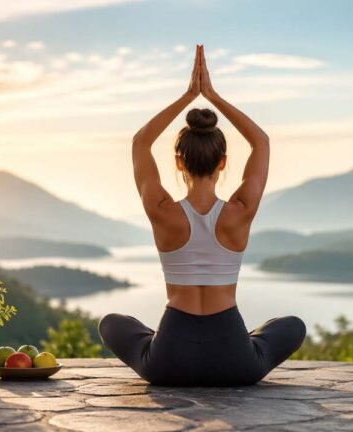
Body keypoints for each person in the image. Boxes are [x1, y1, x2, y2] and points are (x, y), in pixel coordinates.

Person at [98, 44, 306, 386]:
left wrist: (188, 96)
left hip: (168, 361)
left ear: (178, 162)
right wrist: (212, 96)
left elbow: (140, 143)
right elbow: (262, 143)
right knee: (293, 324)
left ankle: (161, 341)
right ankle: (242, 343)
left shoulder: (162, 211)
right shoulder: (240, 211)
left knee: (111, 321)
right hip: (235, 361)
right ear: (223, 162)